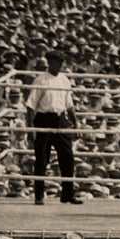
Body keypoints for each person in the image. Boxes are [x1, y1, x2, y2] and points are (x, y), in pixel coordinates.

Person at [25, 51, 82, 205]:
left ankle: (68, 194)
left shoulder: (64, 80)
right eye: (57, 62)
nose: (60, 65)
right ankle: (39, 195)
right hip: (44, 119)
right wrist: (30, 129)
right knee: (42, 159)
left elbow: (69, 105)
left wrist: (75, 124)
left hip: (61, 119)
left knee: (67, 157)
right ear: (50, 62)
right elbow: (30, 106)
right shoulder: (40, 80)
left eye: (61, 62)